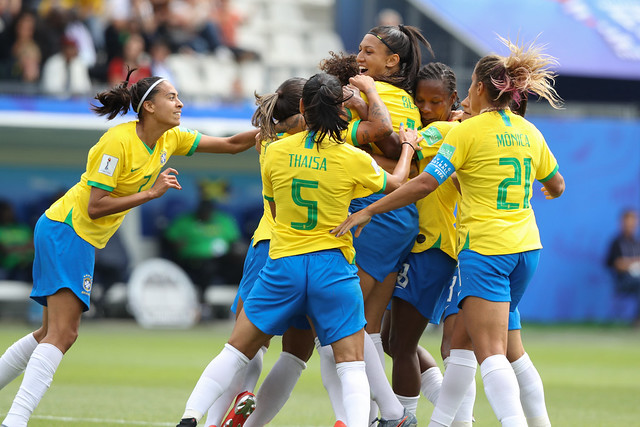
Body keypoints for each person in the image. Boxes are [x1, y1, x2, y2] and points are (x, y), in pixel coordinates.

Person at [0, 71, 258, 427]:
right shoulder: (116, 143)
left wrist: (279, 130)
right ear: (149, 106)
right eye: (171, 97)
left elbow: (231, 144)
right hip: (68, 230)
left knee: (49, 333)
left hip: (76, 236)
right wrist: (150, 194)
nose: (180, 103)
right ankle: (16, 420)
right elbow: (94, 205)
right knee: (65, 333)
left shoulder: (170, 139)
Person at [332, 36, 566, 426]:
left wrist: (370, 208)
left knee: (489, 353)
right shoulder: (528, 132)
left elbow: (424, 183)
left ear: (475, 88)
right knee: (475, 348)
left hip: (485, 250)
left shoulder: (462, 133)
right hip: (527, 247)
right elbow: (556, 185)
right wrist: (542, 188)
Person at [175, 72, 420, 427]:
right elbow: (397, 182)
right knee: (349, 363)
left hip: (281, 262)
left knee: (237, 350)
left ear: (304, 107)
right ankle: (362, 420)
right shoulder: (352, 157)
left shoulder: (273, 150)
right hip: (332, 268)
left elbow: (274, 211)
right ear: (341, 112)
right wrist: (409, 146)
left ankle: (192, 417)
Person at [318, 25, 431, 426]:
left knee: (337, 334)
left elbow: (398, 155)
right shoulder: (375, 95)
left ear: (392, 61)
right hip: (389, 216)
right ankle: (382, 416)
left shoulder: (391, 98)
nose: (360, 57)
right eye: (360, 49)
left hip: (380, 213)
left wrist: (365, 104)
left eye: (369, 52)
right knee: (366, 330)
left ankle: (391, 414)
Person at [381, 62, 460, 416]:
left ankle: (404, 418)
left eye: (436, 101)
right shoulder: (449, 126)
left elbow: (398, 143)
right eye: (420, 100)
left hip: (432, 246)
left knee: (401, 343)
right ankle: (456, 415)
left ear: (452, 101)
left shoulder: (443, 130)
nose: (426, 109)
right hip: (417, 246)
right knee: (391, 340)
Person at [163, 183, 243, 296]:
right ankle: (203, 302)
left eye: (208, 211)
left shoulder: (224, 220)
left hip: (221, 259)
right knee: (207, 268)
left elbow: (234, 241)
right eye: (203, 211)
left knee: (241, 266)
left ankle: (241, 299)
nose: (205, 214)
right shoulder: (184, 221)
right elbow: (170, 241)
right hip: (195, 260)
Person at [606, 209, 640, 326]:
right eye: (628, 222)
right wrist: (632, 264)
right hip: (623, 281)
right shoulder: (616, 242)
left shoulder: (637, 242)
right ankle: (637, 321)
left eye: (633, 222)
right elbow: (616, 264)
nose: (630, 226)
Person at [0, 200, 34, 282]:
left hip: (29, 267)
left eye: (10, 210)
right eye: (5, 211)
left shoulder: (24, 228)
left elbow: (34, 245)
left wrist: (14, 248)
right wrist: (24, 248)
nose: (9, 213)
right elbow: (4, 249)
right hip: (7, 269)